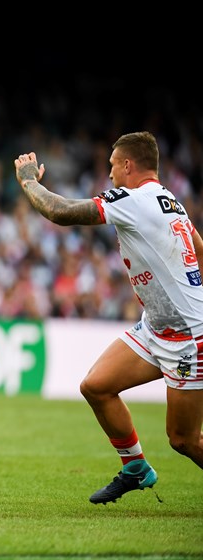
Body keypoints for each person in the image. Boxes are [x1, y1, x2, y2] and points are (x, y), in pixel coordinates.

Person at [14, 131, 203, 504]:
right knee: (96, 386)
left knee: (183, 440)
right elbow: (197, 246)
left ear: (129, 165)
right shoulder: (169, 201)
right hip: (155, 327)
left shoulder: (135, 200)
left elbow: (61, 211)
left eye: (113, 165)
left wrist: (28, 180)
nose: (110, 173)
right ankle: (136, 468)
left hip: (187, 336)